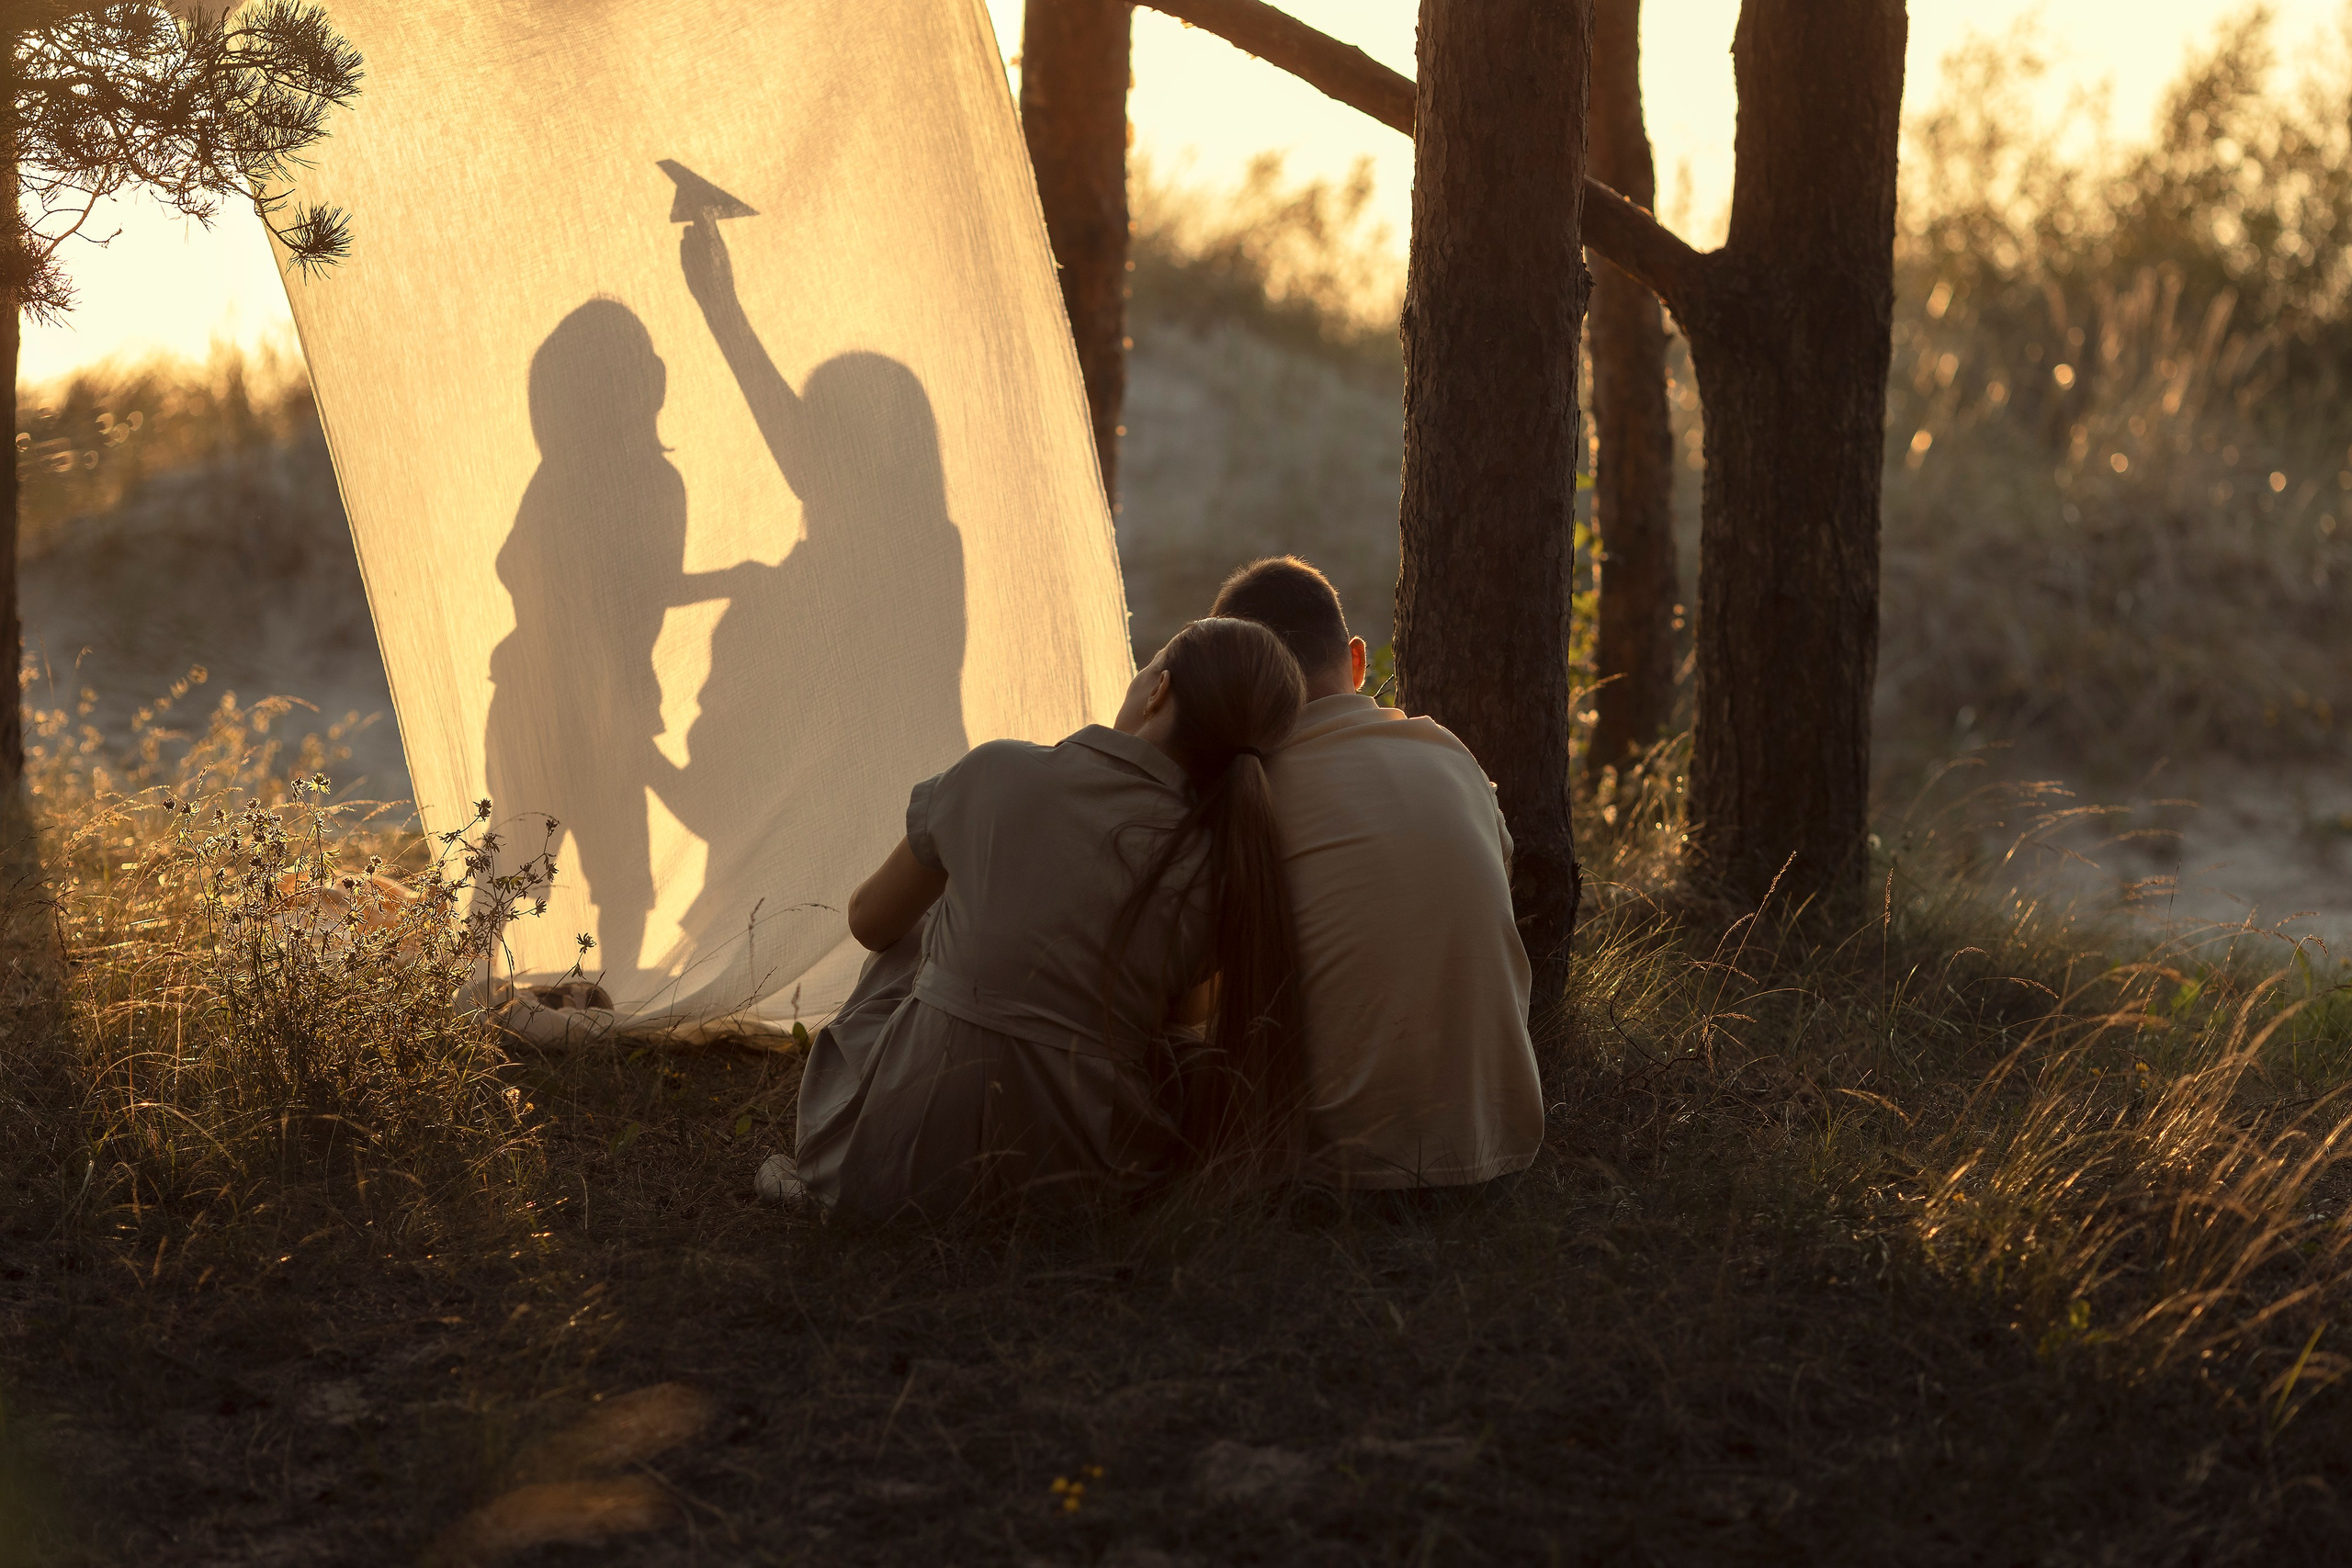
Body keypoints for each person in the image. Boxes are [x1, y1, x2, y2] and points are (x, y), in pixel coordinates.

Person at [780, 617, 1307, 1219]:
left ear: (1159, 689)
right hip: (1087, 1185)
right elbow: (1185, 1014)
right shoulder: (1222, 868)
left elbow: (869, 923)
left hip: (896, 1167)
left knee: (926, 924)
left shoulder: (996, 771)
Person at [1210, 556, 1542, 1190]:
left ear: (1240, 683)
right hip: (1496, 1145)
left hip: (1335, 1168)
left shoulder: (1251, 792)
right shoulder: (1448, 752)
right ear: (1357, 661)